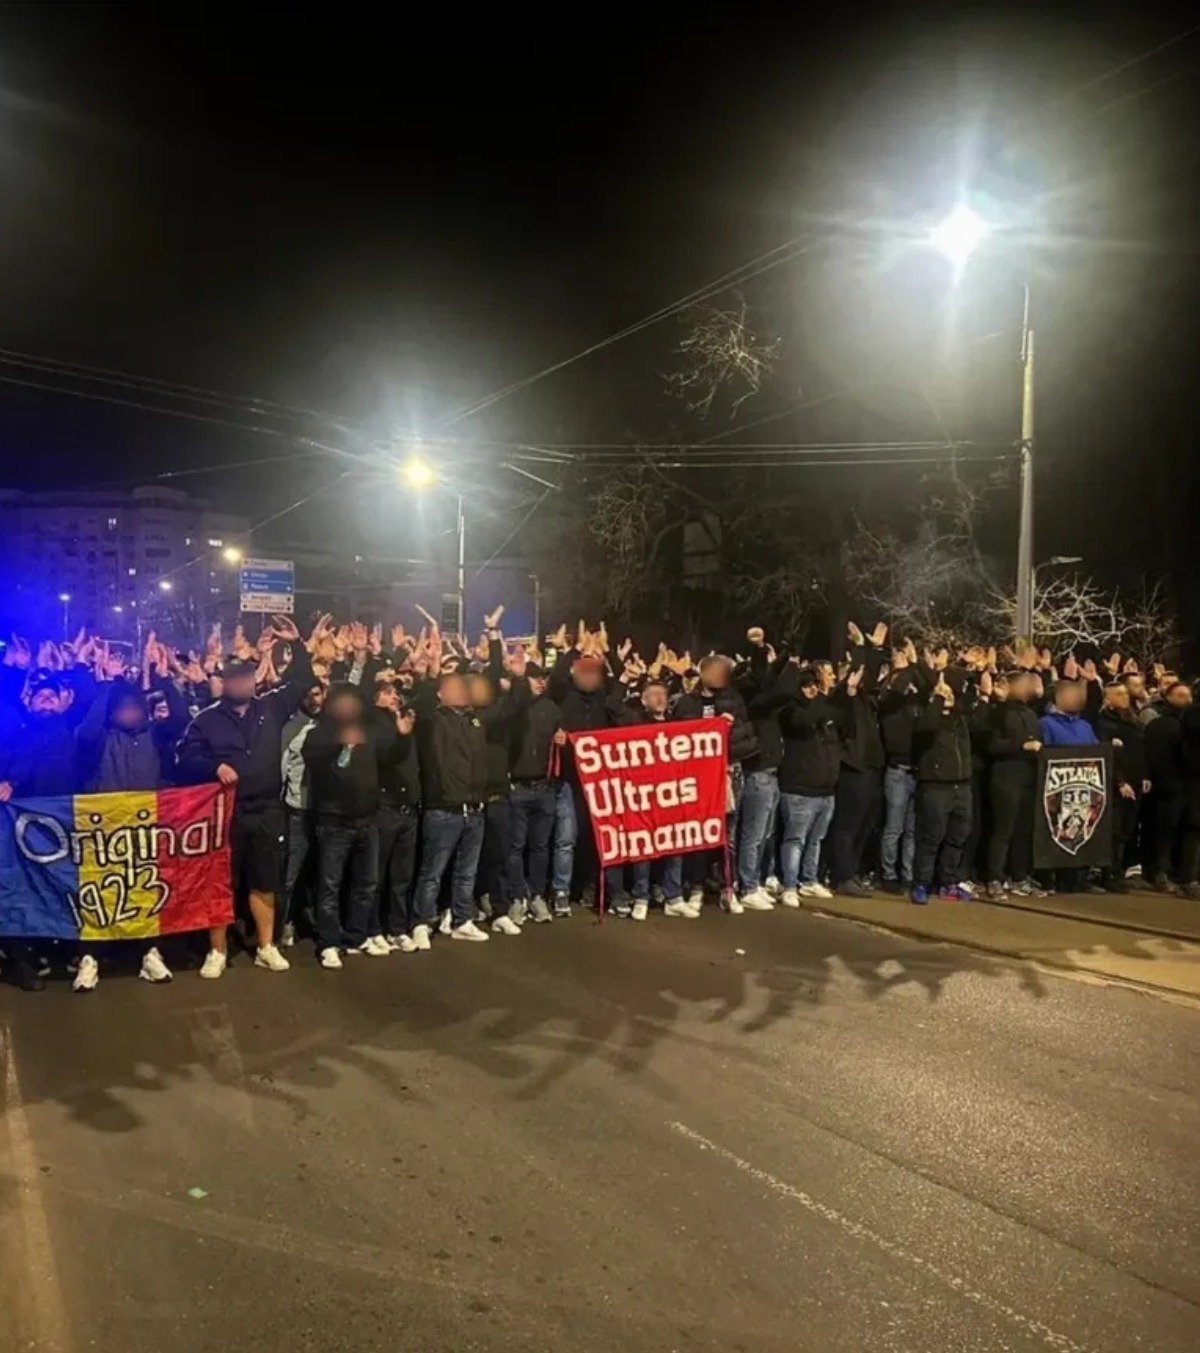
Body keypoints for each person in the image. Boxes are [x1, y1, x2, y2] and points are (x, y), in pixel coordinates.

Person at [175, 615, 310, 978]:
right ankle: (217, 951)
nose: (242, 683)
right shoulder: (206, 720)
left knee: (265, 881)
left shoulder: (271, 707)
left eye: (247, 677)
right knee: (220, 883)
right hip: (224, 813)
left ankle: (266, 946)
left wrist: (295, 643)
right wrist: (214, 766)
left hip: (266, 811)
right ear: (224, 681)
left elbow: (303, 680)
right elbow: (184, 757)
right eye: (234, 678)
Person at [70, 672, 189, 989]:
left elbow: (180, 719)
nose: (128, 712)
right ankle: (89, 956)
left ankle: (149, 952)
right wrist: (108, 688)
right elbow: (87, 732)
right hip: (104, 828)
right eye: (121, 707)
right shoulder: (100, 738)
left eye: (133, 707)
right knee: (98, 891)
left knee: (145, 889)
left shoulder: (156, 735)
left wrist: (165, 680)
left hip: (146, 827)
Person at [302, 683, 397, 967]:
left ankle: (356, 936)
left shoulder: (368, 730)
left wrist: (396, 726)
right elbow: (313, 756)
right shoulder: (320, 733)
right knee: (330, 885)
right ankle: (329, 942)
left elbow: (390, 753)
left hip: (367, 818)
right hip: (334, 821)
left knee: (366, 883)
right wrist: (339, 740)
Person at [409, 669, 491, 943]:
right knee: (432, 872)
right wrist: (429, 671)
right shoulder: (432, 720)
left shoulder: (475, 720)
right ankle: (421, 922)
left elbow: (505, 705)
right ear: (440, 693)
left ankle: (462, 919)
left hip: (474, 808)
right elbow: (420, 701)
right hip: (443, 808)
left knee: (466, 873)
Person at [674, 653, 758, 913]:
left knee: (727, 835)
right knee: (699, 834)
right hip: (697, 776)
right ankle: (696, 887)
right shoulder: (686, 703)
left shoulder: (734, 700)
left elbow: (747, 737)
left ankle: (727, 888)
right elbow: (676, 739)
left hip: (729, 773)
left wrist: (729, 731)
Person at [733, 628, 798, 905]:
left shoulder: (762, 702)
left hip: (771, 775)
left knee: (764, 835)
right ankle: (747, 886)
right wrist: (791, 661)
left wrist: (781, 654)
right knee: (753, 835)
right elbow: (778, 688)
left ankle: (756, 881)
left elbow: (767, 677)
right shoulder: (756, 703)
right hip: (758, 775)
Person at [910, 668, 977, 904]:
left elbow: (975, 710)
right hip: (936, 786)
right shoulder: (926, 716)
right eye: (943, 695)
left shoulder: (960, 719)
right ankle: (921, 883)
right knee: (931, 838)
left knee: (957, 837)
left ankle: (948, 882)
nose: (948, 698)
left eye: (950, 694)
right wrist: (937, 698)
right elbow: (924, 726)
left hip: (961, 786)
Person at [776, 666, 840, 905]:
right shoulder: (791, 710)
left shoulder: (825, 711)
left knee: (816, 839)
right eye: (807, 686)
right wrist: (819, 696)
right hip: (799, 788)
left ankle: (809, 880)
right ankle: (789, 885)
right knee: (795, 839)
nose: (813, 690)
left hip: (825, 789)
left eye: (815, 685)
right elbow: (804, 721)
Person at [507, 660, 564, 924]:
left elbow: (561, 738)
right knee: (516, 846)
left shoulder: (552, 709)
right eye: (534, 677)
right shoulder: (513, 706)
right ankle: (517, 897)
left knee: (540, 847)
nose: (541, 681)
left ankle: (537, 896)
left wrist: (563, 740)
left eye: (544, 677)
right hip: (517, 786)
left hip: (545, 786)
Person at [984, 670, 1043, 900]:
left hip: (1028, 777)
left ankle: (1019, 877)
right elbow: (991, 744)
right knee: (1003, 831)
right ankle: (994, 878)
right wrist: (1021, 746)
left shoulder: (1030, 713)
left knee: (1023, 831)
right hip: (1005, 777)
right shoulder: (998, 712)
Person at [371, 680, 420, 948]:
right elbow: (385, 757)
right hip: (385, 807)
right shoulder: (372, 722)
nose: (394, 697)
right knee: (376, 875)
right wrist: (401, 737)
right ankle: (373, 928)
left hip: (407, 806)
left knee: (402, 876)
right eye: (386, 692)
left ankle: (397, 927)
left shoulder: (404, 720)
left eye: (395, 692)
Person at [279, 681, 326, 946]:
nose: (314, 699)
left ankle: (316, 922)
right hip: (298, 809)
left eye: (317, 693)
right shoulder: (291, 728)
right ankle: (284, 923)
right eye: (308, 694)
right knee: (291, 873)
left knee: (322, 873)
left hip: (326, 810)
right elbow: (282, 768)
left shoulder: (330, 725)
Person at [1092, 682, 1149, 892]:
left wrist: (1145, 775)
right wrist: (1121, 782)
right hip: (1115, 784)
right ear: (1107, 698)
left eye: (1125, 693)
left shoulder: (1133, 721)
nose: (1124, 697)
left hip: (1136, 780)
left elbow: (1141, 750)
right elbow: (1108, 756)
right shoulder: (1103, 723)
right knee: (1114, 830)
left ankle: (1120, 870)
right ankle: (1108, 873)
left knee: (1127, 829)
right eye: (1118, 694)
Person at [1143, 682, 1195, 893]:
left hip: (1189, 789)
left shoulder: (1189, 725)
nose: (1187, 700)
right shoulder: (1159, 725)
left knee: (1185, 833)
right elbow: (1153, 757)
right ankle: (1159, 872)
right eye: (1181, 696)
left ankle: (1183, 874)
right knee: (1164, 833)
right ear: (1168, 698)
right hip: (1167, 788)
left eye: (1189, 696)